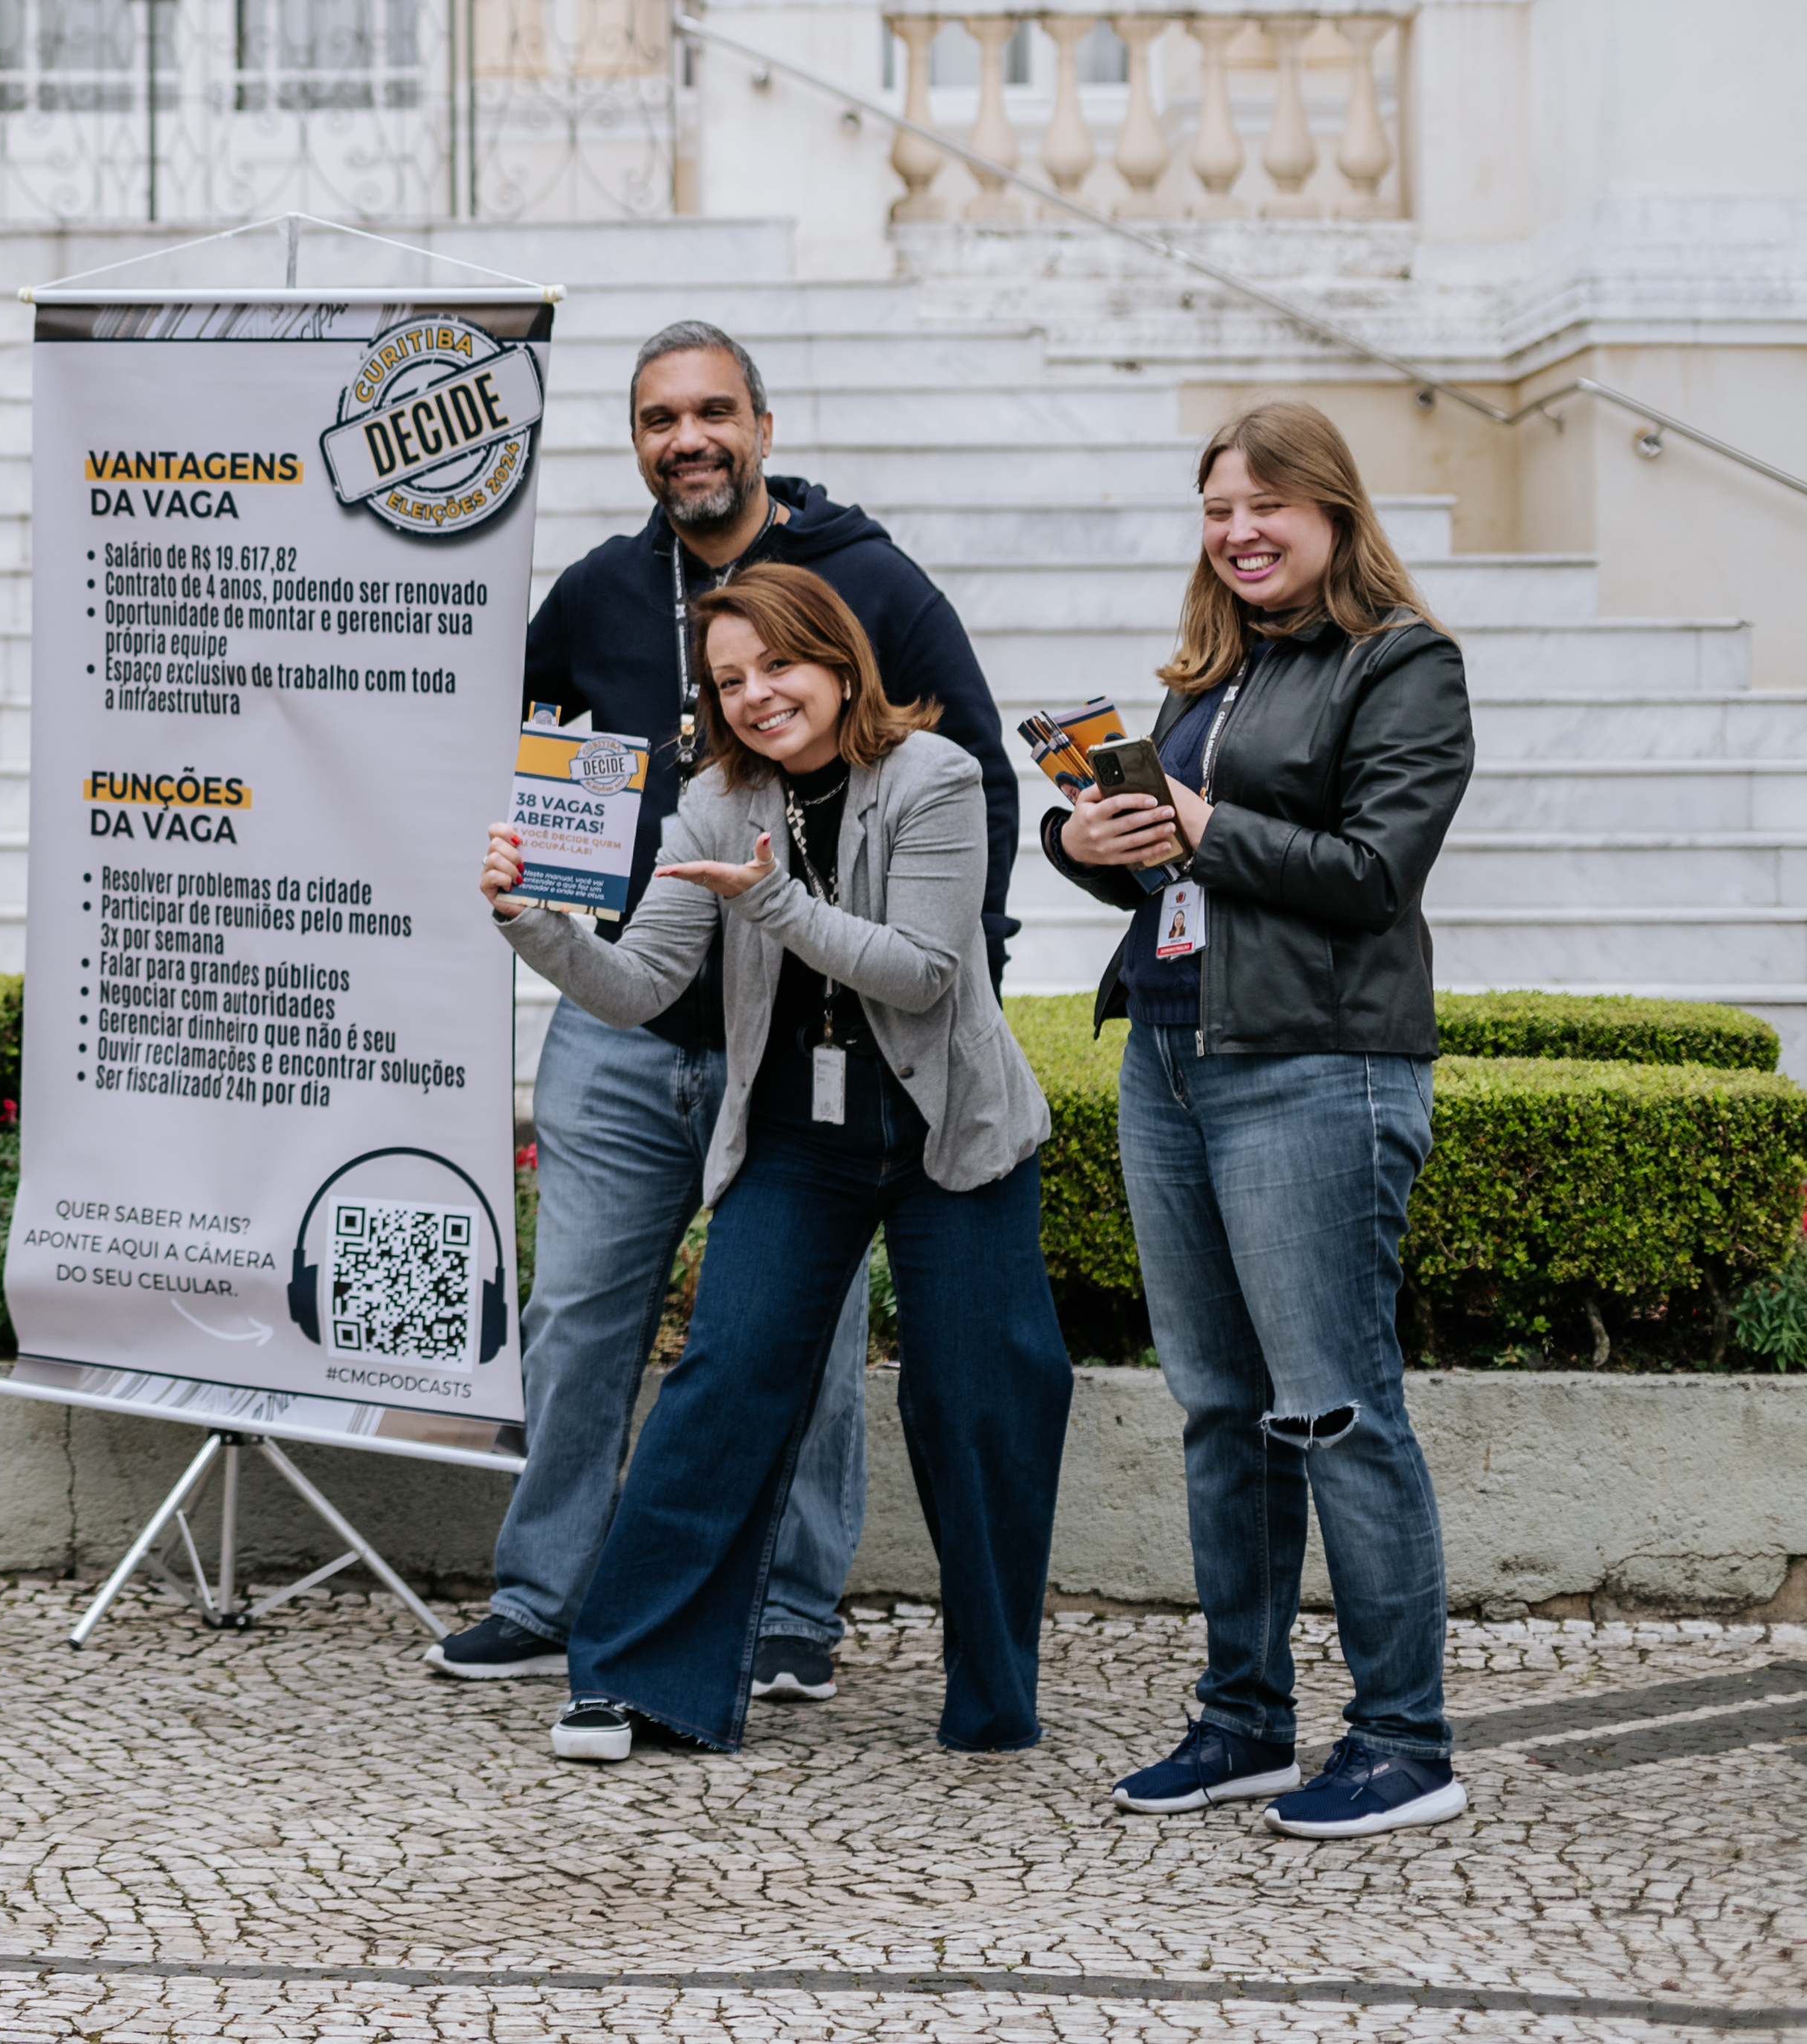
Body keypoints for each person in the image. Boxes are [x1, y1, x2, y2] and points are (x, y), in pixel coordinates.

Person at [435, 320, 1019, 1704]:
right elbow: (491, 736)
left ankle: (788, 1613)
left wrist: (936, 981)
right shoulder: (592, 596)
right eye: (656, 420)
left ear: (760, 425)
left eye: (711, 413)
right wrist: (525, 876)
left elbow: (972, 774)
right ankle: (545, 1592)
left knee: (798, 1340)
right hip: (626, 1025)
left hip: (810, 1045)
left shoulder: (866, 582)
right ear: (635, 443)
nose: (685, 439)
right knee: (578, 1312)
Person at [484, 565, 1069, 1765]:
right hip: (799, 1134)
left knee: (975, 1403)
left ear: (840, 662)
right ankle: (635, 1683)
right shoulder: (711, 801)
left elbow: (922, 972)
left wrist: (772, 904)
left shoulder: (934, 777)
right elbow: (642, 986)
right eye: (730, 679)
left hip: (947, 1131)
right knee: (722, 1379)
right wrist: (529, 922)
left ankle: (993, 1696)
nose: (756, 697)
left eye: (778, 668)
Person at [1051, 402, 1474, 1840]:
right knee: (1221, 1410)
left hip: (1314, 1065)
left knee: (1337, 1406)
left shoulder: (1403, 665)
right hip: (1169, 1052)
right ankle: (1243, 1721)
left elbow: (1373, 867)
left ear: (1336, 514)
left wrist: (1200, 820)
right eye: (1220, 503)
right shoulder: (1210, 676)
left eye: (1269, 502)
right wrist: (1085, 840)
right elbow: (1174, 875)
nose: (1239, 527)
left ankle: (1406, 1738)